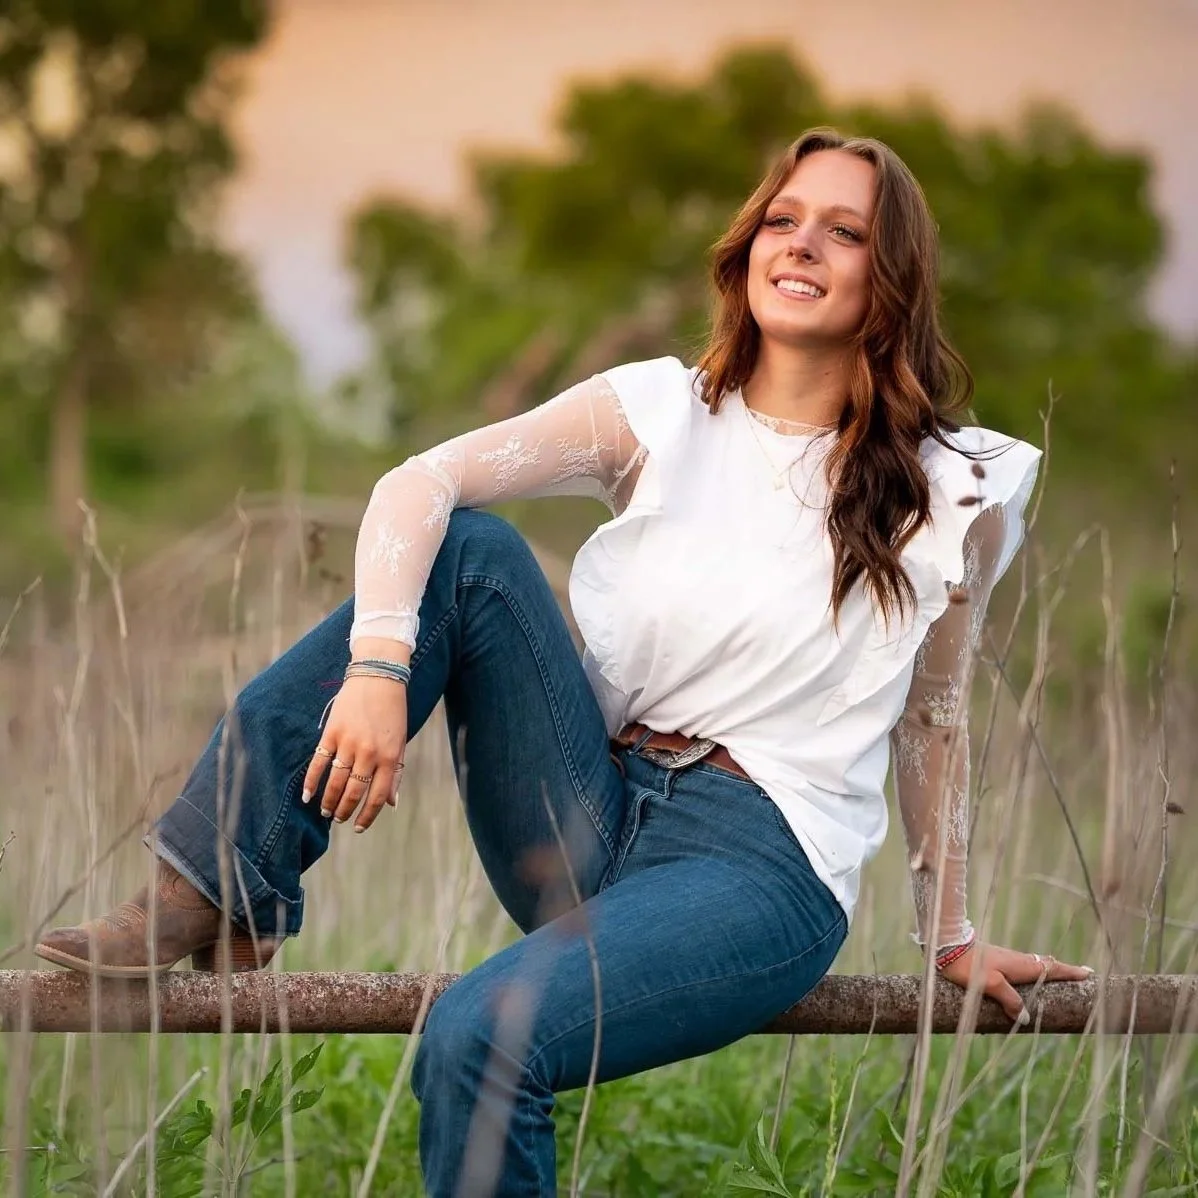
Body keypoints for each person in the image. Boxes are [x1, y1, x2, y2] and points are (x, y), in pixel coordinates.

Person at [36, 127, 1090, 1195]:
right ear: (746, 247)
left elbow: (932, 717)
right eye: (782, 218)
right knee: (474, 551)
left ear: (891, 276)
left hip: (757, 864)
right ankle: (217, 884)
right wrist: (377, 670)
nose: (801, 244)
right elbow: (415, 483)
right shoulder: (659, 412)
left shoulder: (954, 487)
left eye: (844, 231)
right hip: (587, 799)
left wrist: (949, 935)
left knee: (477, 1035)